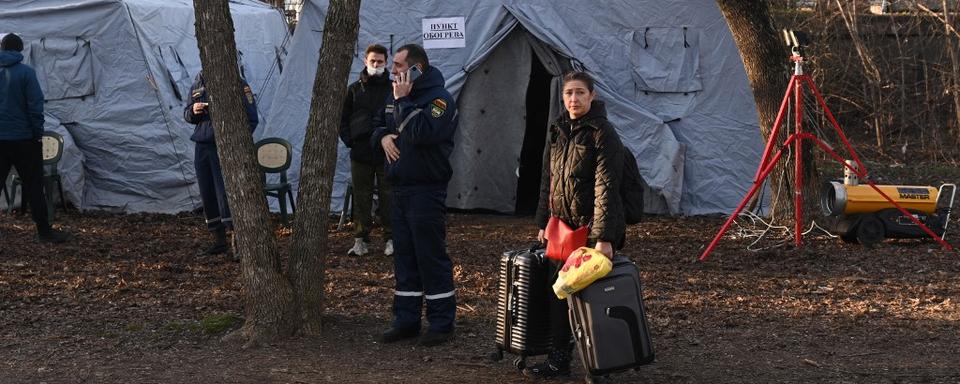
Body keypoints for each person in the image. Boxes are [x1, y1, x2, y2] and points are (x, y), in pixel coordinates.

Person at [529, 71, 625, 378]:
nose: (574, 99)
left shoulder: (603, 132)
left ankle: (601, 364)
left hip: (590, 229)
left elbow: (606, 186)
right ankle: (559, 358)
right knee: (558, 293)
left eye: (580, 93)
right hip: (561, 228)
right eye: (569, 93)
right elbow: (548, 178)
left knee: (592, 298)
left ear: (592, 96)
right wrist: (543, 220)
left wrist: (604, 237)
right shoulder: (557, 129)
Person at [371, 44, 458, 347]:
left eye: (397, 65)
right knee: (405, 257)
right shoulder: (394, 94)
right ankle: (406, 320)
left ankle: (441, 323)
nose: (392, 70)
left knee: (430, 257)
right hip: (399, 189)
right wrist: (382, 137)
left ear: (417, 68)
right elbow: (377, 124)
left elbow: (420, 132)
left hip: (426, 190)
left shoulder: (440, 101)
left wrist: (404, 102)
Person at [0, 33, 70, 244]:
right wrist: (37, 134)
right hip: (24, 139)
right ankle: (44, 232)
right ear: (20, 50)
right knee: (34, 186)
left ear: (2, 49)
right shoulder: (27, 73)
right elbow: (35, 106)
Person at [183, 72, 258, 255]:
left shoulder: (236, 82)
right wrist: (193, 111)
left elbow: (251, 118)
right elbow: (186, 114)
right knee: (207, 193)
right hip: (202, 146)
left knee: (225, 193)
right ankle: (218, 239)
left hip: (224, 147)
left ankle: (237, 242)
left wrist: (235, 143)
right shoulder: (197, 84)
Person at [339, 44, 393, 257]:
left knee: (389, 196)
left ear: (386, 62)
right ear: (365, 61)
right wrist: (350, 141)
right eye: (373, 61)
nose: (376, 65)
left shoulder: (392, 88)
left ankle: (391, 239)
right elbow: (342, 119)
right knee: (361, 197)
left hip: (387, 153)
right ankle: (360, 239)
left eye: (380, 61)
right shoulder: (353, 90)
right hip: (360, 153)